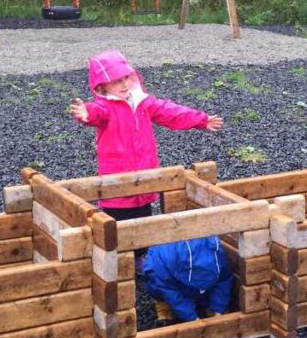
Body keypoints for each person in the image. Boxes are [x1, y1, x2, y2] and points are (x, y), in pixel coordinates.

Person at [69, 50, 223, 250]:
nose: (124, 84)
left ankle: (142, 257)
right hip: (117, 180)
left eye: (126, 78)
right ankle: (120, 259)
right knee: (118, 224)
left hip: (145, 174)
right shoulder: (106, 107)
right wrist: (86, 113)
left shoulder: (142, 102)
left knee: (143, 219)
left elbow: (169, 112)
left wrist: (201, 120)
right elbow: (96, 113)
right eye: (117, 81)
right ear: (102, 85)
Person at [142, 236, 233, 325]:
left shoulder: (217, 255)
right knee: (155, 285)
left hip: (195, 283)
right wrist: (193, 319)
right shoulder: (160, 267)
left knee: (209, 296)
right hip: (168, 279)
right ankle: (164, 309)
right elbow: (174, 296)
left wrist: (218, 308)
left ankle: (208, 305)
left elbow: (223, 280)